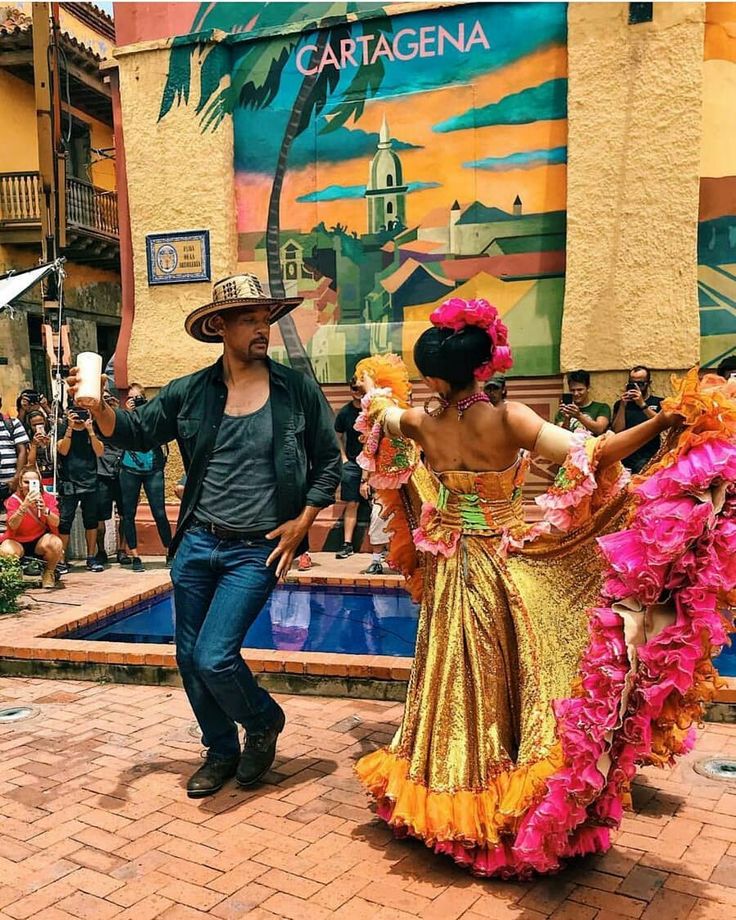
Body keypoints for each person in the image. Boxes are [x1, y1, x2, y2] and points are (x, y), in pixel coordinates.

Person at [353, 298, 734, 878]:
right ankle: (507, 799)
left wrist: (377, 390)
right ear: (485, 365)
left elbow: (381, 416)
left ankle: (450, 791)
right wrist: (660, 423)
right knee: (521, 674)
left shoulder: (423, 424)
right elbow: (595, 452)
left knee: (454, 681)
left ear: (434, 377)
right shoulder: (509, 419)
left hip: (451, 571)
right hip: (502, 567)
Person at [66, 272, 341, 798]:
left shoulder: (294, 390)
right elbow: (137, 430)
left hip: (255, 548)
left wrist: (305, 519)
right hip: (196, 543)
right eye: (249, 320)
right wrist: (100, 407)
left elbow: (329, 463)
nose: (262, 328)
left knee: (215, 655)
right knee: (188, 657)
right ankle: (220, 750)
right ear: (220, 326)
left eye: (266, 319)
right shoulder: (190, 392)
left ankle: (262, 721)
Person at [117, 383, 172, 572]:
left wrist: (146, 412)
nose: (134, 401)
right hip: (129, 469)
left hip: (153, 467)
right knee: (129, 513)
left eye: (137, 398)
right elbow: (118, 434)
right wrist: (128, 414)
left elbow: (163, 436)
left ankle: (169, 551)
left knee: (159, 512)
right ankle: (135, 555)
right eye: (130, 398)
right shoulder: (123, 416)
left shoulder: (153, 415)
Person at [56, 405, 105, 573]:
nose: (78, 417)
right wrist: (70, 427)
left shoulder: (92, 428)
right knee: (64, 522)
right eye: (75, 414)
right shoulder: (63, 428)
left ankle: (91, 557)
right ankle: (61, 559)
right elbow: (62, 450)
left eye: (81, 413)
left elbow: (100, 452)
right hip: (69, 482)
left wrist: (90, 430)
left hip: (90, 481)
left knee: (91, 521)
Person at [1, 467, 63, 589]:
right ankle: (14, 575)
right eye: (26, 482)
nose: (29, 486)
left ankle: (49, 573)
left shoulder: (47, 498)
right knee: (5, 550)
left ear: (39, 483)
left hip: (38, 541)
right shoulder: (13, 500)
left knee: (55, 543)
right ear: (20, 483)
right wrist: (23, 507)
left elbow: (56, 523)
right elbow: (12, 524)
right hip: (17, 540)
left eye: (33, 482)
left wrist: (45, 510)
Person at [95, 391, 130, 566]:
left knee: (124, 515)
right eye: (104, 399)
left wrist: (119, 410)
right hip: (101, 473)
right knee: (101, 516)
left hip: (123, 472)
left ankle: (122, 550)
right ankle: (101, 551)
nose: (108, 402)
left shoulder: (123, 420)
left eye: (110, 399)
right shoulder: (94, 422)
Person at [333, 377, 365, 560]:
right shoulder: (345, 412)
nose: (357, 391)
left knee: (381, 504)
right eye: (354, 388)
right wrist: (344, 458)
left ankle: (383, 549)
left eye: (360, 388)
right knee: (351, 503)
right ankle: (347, 544)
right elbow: (336, 435)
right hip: (353, 463)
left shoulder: (372, 410)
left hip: (374, 464)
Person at [611, 365, 663, 472]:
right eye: (633, 384)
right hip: (626, 456)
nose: (637, 387)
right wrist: (622, 406)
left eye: (641, 384)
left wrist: (642, 404)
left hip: (649, 455)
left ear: (649, 383)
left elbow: (661, 423)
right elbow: (617, 430)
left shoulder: (658, 402)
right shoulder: (620, 404)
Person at [554, 369, 611, 435]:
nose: (576, 393)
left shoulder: (602, 408)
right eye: (572, 390)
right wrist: (567, 419)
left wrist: (579, 416)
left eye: (580, 390)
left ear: (588, 388)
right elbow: (561, 435)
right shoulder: (564, 410)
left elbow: (600, 429)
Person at [0, 392, 29, 495]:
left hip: (10, 482)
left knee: (13, 510)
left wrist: (17, 477)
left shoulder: (12, 423)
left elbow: (22, 451)